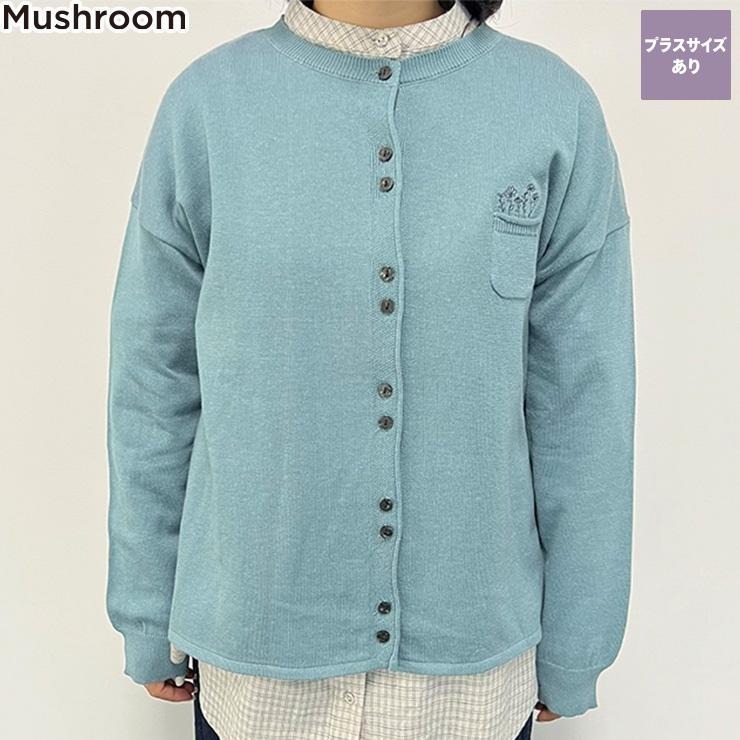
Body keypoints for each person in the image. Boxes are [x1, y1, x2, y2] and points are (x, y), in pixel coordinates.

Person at [105, 1, 635, 738]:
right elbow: (153, 383)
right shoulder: (208, 106)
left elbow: (583, 403)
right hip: (258, 670)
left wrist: (578, 644)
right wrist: (144, 611)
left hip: (472, 680)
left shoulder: (553, 107)